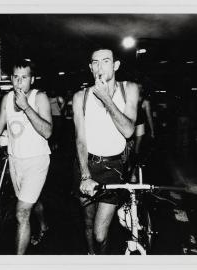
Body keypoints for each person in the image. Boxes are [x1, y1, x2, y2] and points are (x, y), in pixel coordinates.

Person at [0, 59, 52, 254]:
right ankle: (43, 223)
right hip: (15, 161)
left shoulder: (39, 98)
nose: (19, 82)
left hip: (36, 160)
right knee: (29, 200)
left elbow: (47, 132)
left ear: (32, 79)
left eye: (24, 77)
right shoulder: (6, 99)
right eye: (16, 77)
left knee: (22, 212)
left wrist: (26, 108)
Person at [72, 47, 139, 254]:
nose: (100, 66)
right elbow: (80, 140)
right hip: (86, 165)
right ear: (91, 68)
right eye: (95, 62)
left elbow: (128, 131)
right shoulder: (80, 97)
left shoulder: (129, 89)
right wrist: (85, 175)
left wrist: (106, 99)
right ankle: (93, 257)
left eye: (106, 61)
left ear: (116, 65)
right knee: (89, 223)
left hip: (114, 168)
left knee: (100, 233)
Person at [130, 83, 155, 182]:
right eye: (137, 87)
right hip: (130, 126)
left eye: (140, 87)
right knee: (128, 149)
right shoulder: (130, 99)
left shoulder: (145, 102)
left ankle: (133, 172)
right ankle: (128, 168)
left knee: (136, 150)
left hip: (140, 126)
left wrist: (152, 131)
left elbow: (149, 117)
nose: (138, 89)